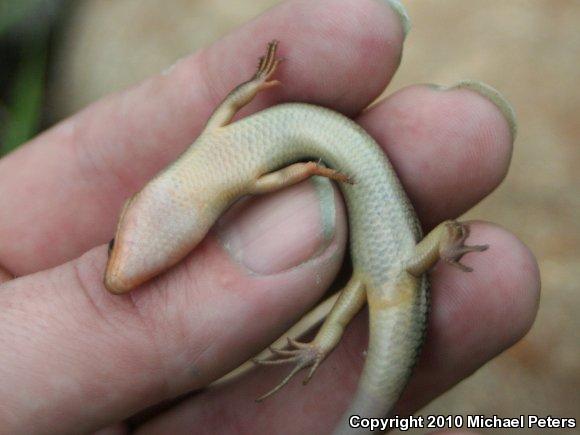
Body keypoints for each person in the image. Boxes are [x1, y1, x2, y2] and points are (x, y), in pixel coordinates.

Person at [0, 0, 539, 433]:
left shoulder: (208, 160)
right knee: (370, 307)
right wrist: (309, 167)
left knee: (374, 302)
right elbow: (257, 150)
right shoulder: (222, 172)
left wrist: (275, 114)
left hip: (375, 250)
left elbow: (235, 115)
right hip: (386, 259)